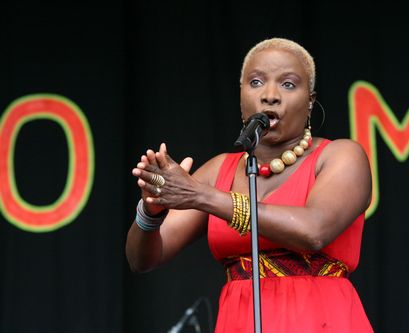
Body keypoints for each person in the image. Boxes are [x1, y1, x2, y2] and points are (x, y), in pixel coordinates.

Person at [127, 38, 373, 332]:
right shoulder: (221, 169)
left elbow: (313, 231)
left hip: (322, 321)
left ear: (310, 100)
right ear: (241, 95)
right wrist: (150, 212)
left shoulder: (341, 155)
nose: (270, 95)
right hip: (239, 322)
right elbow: (143, 259)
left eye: (288, 84)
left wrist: (202, 195)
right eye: (256, 82)